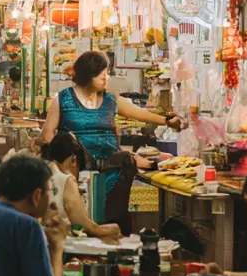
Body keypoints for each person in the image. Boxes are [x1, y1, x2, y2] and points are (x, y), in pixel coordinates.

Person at [36, 51, 183, 193]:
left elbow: (140, 113)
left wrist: (167, 121)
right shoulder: (63, 99)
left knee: (112, 213)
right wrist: (60, 160)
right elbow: (47, 132)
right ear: (88, 77)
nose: (107, 79)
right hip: (74, 174)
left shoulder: (111, 100)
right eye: (103, 76)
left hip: (113, 172)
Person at [44, 133, 122, 240]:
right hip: (56, 245)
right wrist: (115, 229)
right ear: (73, 160)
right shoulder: (66, 179)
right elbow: (86, 227)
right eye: (79, 169)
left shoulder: (42, 170)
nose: (77, 176)